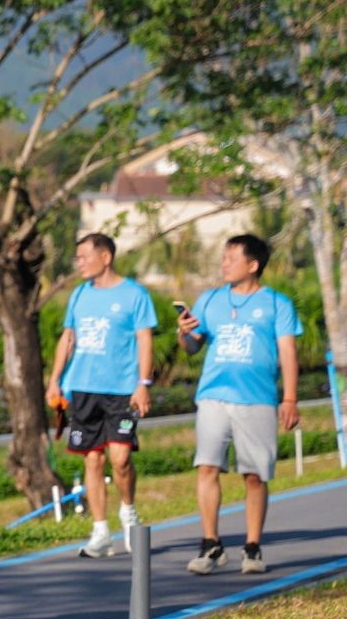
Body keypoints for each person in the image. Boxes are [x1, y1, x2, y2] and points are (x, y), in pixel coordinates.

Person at [176, 234, 302, 575]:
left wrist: (290, 398)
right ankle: (211, 544)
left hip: (257, 399)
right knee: (207, 467)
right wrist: (184, 333)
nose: (224, 264)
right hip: (213, 396)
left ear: (253, 264)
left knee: (254, 475)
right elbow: (193, 347)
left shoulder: (277, 304)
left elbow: (288, 352)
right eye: (224, 257)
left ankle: (252, 547)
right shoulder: (209, 299)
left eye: (232, 258)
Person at [45, 232, 158, 558]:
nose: (79, 263)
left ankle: (128, 510)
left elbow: (145, 340)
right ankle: (100, 532)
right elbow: (68, 338)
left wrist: (143, 383)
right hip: (83, 388)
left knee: (120, 459)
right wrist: (54, 380)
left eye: (84, 256)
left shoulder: (134, 294)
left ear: (105, 257)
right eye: (77, 257)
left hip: (122, 391)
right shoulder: (79, 294)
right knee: (92, 459)